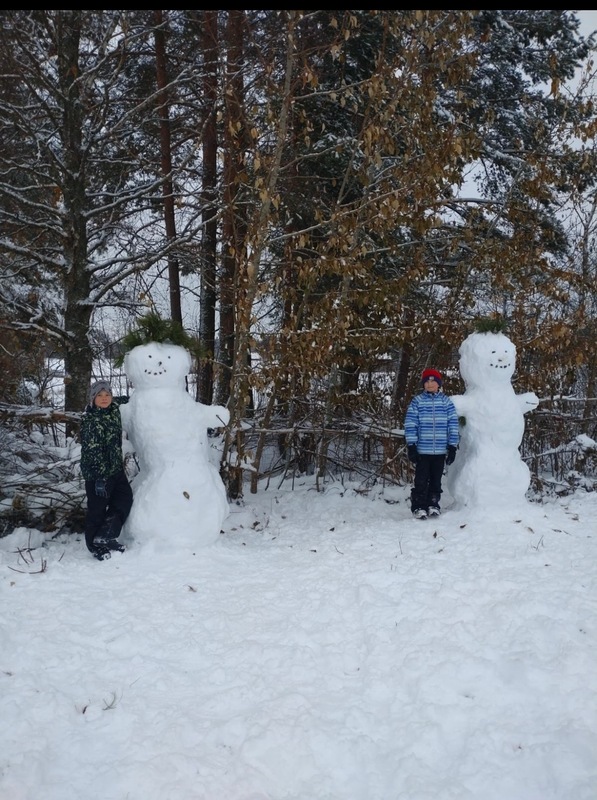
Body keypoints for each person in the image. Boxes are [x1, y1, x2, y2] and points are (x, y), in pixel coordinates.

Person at [80, 380, 133, 560]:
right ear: (93, 398)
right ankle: (94, 546)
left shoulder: (113, 410)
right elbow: (92, 452)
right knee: (97, 510)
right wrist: (100, 478)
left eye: (107, 395)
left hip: (115, 470)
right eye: (100, 395)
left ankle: (106, 535)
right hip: (98, 475)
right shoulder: (90, 420)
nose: (104, 398)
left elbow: (127, 400)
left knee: (124, 500)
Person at [404, 368, 459, 519]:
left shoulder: (446, 402)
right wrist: (411, 445)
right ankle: (419, 506)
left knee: (436, 480)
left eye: (433, 381)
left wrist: (452, 446)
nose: (430, 384)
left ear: (439, 384)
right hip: (422, 450)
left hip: (440, 451)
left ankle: (433, 504)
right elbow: (410, 424)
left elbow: (453, 425)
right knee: (421, 480)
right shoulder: (417, 402)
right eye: (427, 381)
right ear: (423, 384)